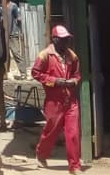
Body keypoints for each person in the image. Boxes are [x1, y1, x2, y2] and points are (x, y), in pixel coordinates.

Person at [31, 24, 82, 173]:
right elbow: (36, 73)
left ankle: (74, 166)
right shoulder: (45, 55)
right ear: (55, 39)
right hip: (54, 101)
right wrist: (54, 81)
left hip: (70, 100)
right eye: (63, 39)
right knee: (51, 130)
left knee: (73, 133)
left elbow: (77, 74)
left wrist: (74, 81)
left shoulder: (72, 56)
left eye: (67, 39)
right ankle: (41, 155)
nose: (66, 42)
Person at [7, 0, 27, 78]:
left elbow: (18, 18)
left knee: (16, 53)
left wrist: (18, 30)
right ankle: (5, 72)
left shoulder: (13, 6)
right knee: (5, 55)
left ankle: (23, 73)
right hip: (4, 34)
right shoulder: (0, 6)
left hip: (12, 33)